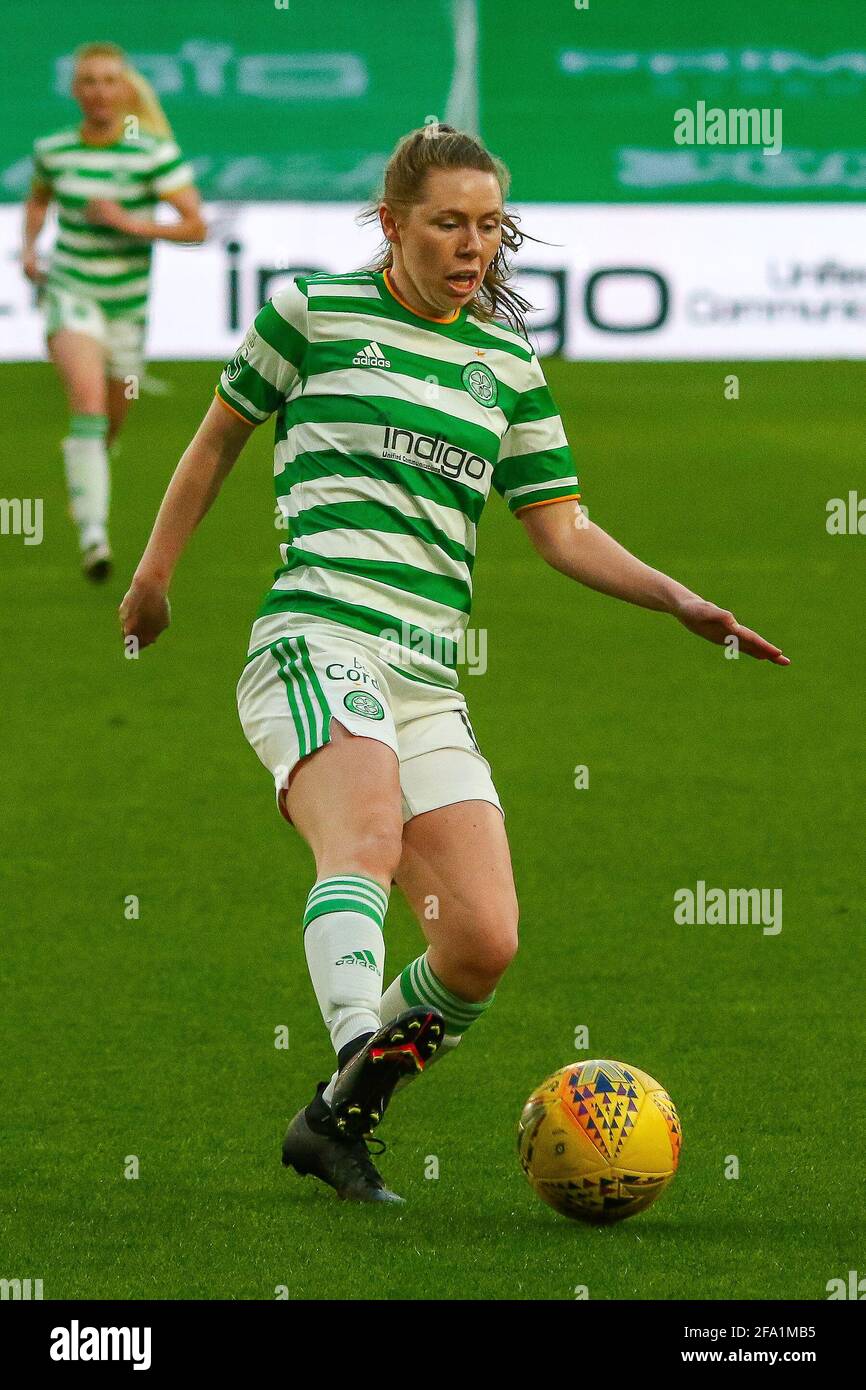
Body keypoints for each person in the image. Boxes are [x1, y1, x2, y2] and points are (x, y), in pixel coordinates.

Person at [119, 125, 788, 1204]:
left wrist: (678, 597)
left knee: (480, 942)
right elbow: (215, 440)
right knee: (366, 834)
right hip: (315, 633)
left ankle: (333, 1124)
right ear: (393, 223)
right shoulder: (311, 311)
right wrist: (154, 574)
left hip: (427, 675)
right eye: (446, 222)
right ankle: (350, 1052)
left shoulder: (506, 365)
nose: (471, 244)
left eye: (486, 224)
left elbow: (561, 527)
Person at [22, 41, 206, 580]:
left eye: (109, 80)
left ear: (124, 88)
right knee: (87, 402)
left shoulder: (151, 152)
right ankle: (94, 536)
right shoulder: (54, 149)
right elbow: (38, 198)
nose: (100, 92)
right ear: (76, 91)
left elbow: (195, 227)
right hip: (71, 291)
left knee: (109, 418)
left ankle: (86, 471)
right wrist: (31, 249)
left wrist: (129, 223)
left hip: (127, 305)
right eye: (89, 82)